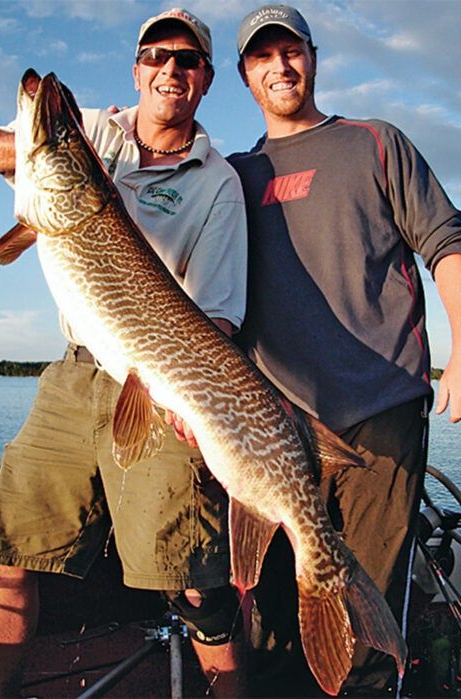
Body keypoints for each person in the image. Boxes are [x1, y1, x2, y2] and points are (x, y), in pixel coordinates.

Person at [0, 8, 249, 697]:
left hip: (161, 375)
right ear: (138, 69)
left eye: (186, 60)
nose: (170, 69)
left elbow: (218, 318)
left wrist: (194, 399)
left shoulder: (217, 183)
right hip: (75, 371)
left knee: (194, 583)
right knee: (5, 556)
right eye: (156, 56)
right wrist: (52, 151)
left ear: (205, 79)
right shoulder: (95, 131)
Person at [227, 4, 461, 695]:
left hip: (378, 410)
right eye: (263, 57)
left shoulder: (374, 143)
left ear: (313, 57)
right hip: (273, 431)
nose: (280, 67)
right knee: (270, 620)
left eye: (290, 51)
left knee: (360, 614)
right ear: (246, 74)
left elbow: (447, 243)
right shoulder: (234, 175)